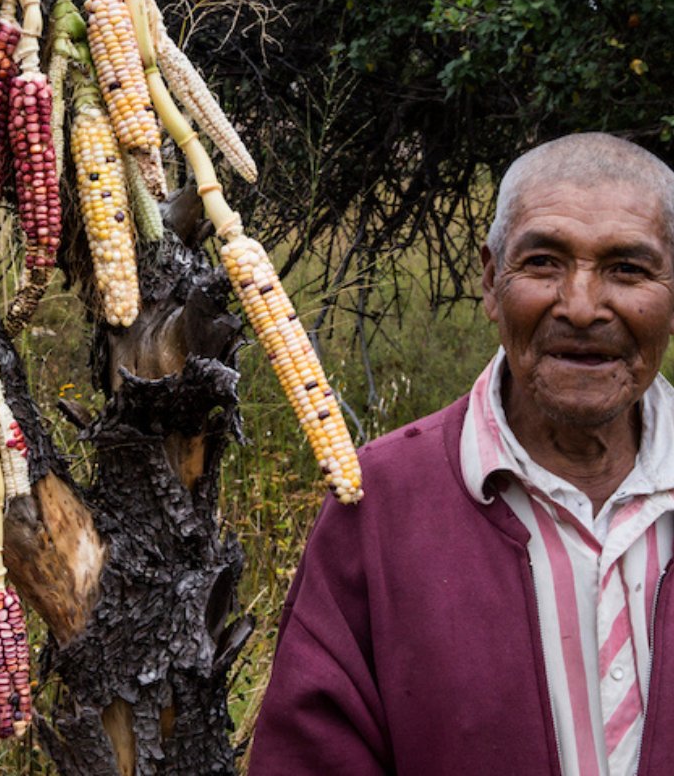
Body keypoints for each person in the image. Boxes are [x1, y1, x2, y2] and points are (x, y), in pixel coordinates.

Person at [249, 132, 674, 775]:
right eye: (543, 263)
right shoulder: (379, 506)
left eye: (628, 269)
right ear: (489, 280)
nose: (583, 307)